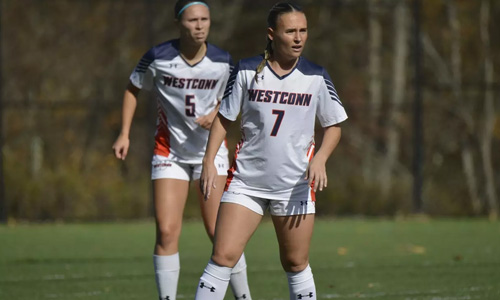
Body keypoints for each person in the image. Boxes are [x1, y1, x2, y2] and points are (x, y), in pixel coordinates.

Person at [194, 2, 347, 299]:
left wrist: (321, 158)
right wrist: (209, 160)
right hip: (247, 183)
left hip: (295, 186)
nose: (299, 37)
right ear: (272, 34)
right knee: (223, 255)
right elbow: (224, 119)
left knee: (295, 262)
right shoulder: (247, 69)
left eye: (303, 30)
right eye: (290, 31)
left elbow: (335, 125)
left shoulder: (316, 76)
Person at [112, 1, 252, 299]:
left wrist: (215, 113)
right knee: (166, 232)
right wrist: (124, 133)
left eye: (205, 19)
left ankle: (244, 297)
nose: (200, 25)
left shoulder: (223, 61)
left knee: (220, 234)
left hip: (210, 156)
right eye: (192, 20)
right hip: (169, 153)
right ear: (179, 23)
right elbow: (132, 88)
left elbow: (234, 102)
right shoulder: (158, 57)